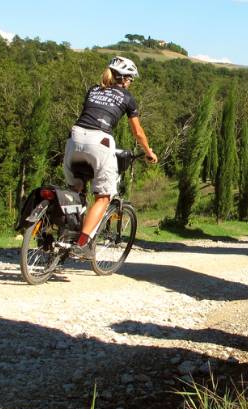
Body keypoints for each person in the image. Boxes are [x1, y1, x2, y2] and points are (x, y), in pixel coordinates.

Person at [63, 56, 157, 259]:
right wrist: (149, 153)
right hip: (100, 141)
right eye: (131, 79)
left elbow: (89, 115)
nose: (131, 83)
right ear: (123, 78)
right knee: (103, 197)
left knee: (75, 189)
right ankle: (82, 244)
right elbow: (138, 133)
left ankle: (61, 234)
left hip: (75, 137)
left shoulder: (92, 89)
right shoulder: (127, 97)